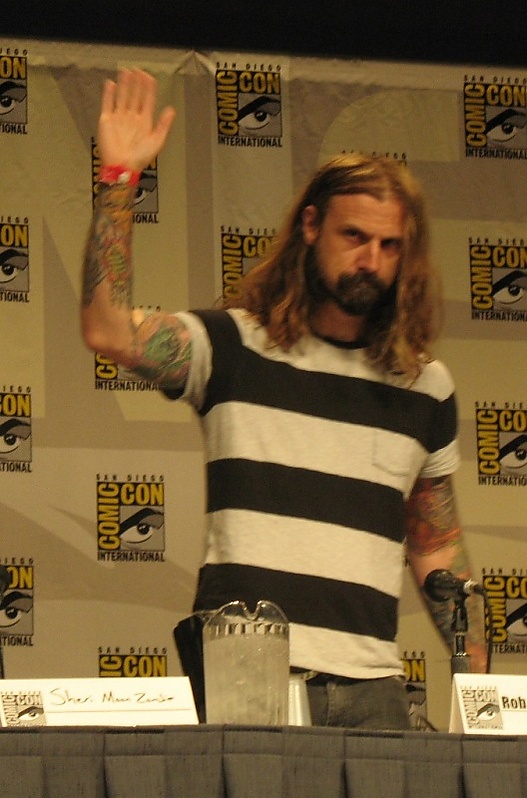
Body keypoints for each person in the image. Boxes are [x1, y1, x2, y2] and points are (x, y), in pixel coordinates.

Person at [81, 68, 487, 730]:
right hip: (250, 680)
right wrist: (119, 178)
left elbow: (437, 549)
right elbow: (108, 330)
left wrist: (481, 692)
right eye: (354, 237)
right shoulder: (232, 346)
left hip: (374, 689)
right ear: (310, 226)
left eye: (389, 246)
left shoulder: (425, 386)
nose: (370, 260)